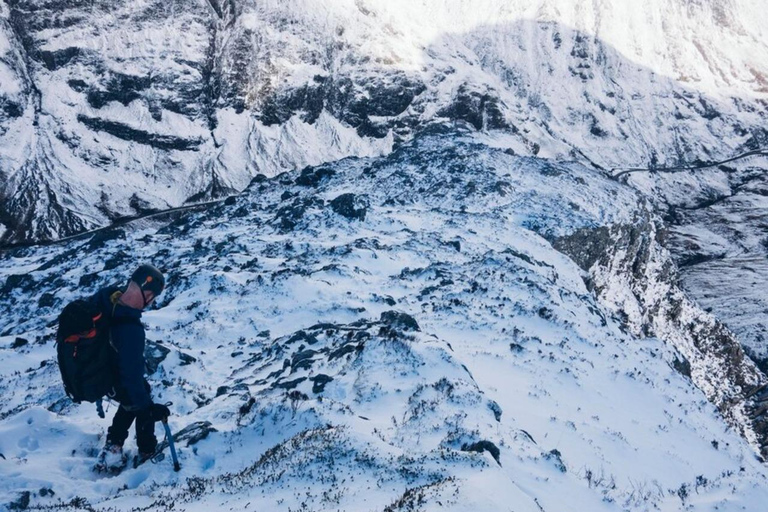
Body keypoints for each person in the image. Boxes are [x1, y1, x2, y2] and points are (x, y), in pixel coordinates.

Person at [94, 264, 171, 472]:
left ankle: (114, 445)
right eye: (153, 297)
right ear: (146, 290)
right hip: (110, 377)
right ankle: (147, 451)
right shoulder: (131, 330)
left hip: (101, 372)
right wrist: (151, 409)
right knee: (140, 398)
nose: (152, 302)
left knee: (134, 396)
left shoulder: (106, 299)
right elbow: (132, 380)